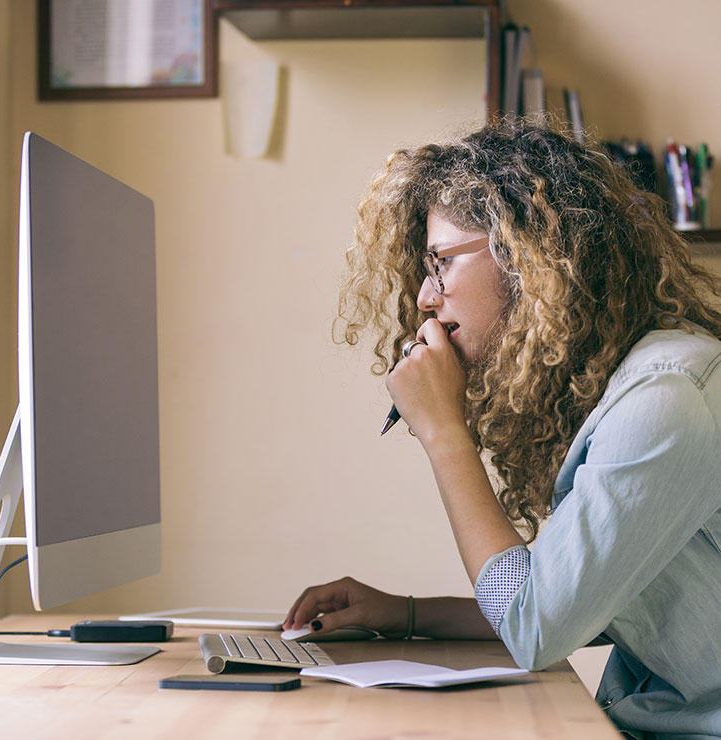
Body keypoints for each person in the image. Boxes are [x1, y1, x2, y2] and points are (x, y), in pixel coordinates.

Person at [284, 120, 721, 739]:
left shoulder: (666, 399)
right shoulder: (624, 390)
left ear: (527, 254)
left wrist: (445, 434)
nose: (424, 299)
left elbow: (536, 626)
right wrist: (405, 615)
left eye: (440, 263)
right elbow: (579, 600)